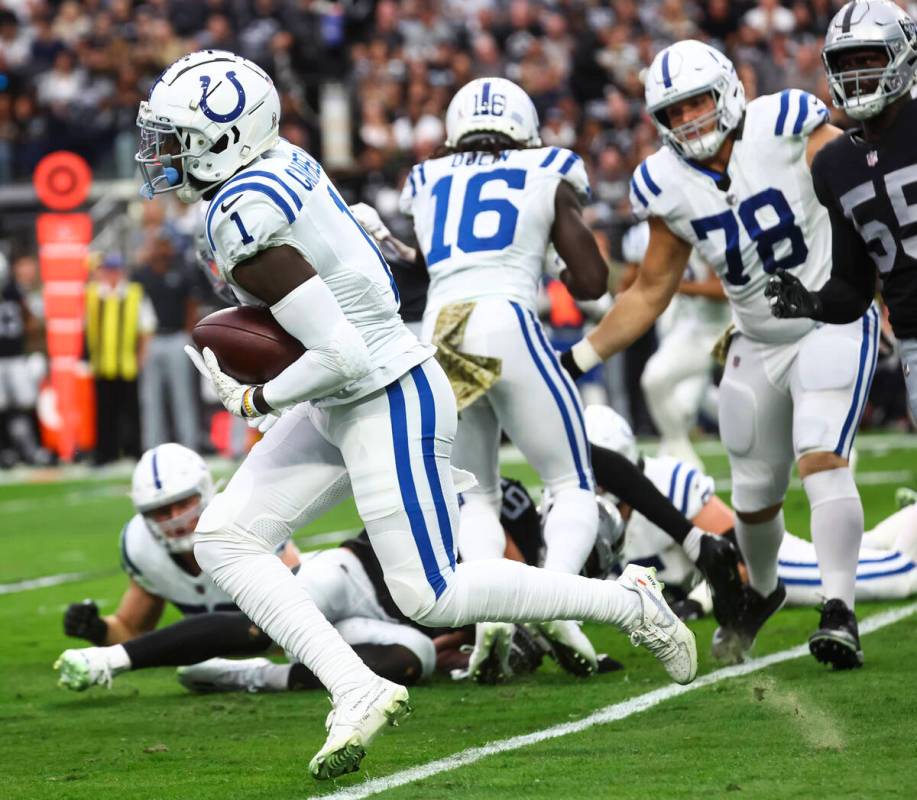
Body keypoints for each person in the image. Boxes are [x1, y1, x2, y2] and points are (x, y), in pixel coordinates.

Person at [135, 50, 696, 781]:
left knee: (431, 595)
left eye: (177, 137)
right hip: (351, 386)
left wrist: (255, 398)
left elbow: (337, 353)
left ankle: (626, 600)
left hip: (385, 391)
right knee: (226, 538)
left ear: (225, 138)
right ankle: (355, 685)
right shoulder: (268, 168)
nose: (164, 154)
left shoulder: (244, 212)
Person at [559, 40, 877, 670]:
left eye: (698, 102)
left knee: (821, 455)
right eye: (674, 113)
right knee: (755, 498)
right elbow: (651, 288)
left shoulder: (785, 122)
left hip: (828, 320)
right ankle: (762, 591)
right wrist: (574, 361)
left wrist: (868, 279)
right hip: (756, 339)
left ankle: (839, 610)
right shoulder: (664, 182)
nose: (689, 121)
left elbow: (849, 189)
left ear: (728, 90)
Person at [54, 444, 437, 693]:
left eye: (182, 504)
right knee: (269, 624)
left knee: (414, 659)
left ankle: (243, 675)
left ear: (204, 492)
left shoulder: (239, 520)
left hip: (340, 611)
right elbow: (133, 628)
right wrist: (99, 632)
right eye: (160, 511)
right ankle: (109, 662)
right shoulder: (143, 548)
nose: (174, 519)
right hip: (339, 583)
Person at [586, 405, 917, 614]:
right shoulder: (570, 509)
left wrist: (698, 603)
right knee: (863, 546)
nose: (595, 486)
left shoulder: (665, 480)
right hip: (710, 582)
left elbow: (739, 556)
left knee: (900, 575)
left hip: (767, 565)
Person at [765, 1, 917, 422]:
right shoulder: (834, 164)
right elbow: (853, 286)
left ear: (906, 56)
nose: (855, 73)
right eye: (844, 62)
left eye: (868, 59)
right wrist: (811, 302)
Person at [621, 222, 729, 469]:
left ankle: (679, 459)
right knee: (673, 402)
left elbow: (722, 289)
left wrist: (675, 286)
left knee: (676, 400)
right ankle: (681, 463)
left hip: (720, 332)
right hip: (687, 330)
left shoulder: (705, 230)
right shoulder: (652, 235)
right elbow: (631, 278)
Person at [84, 254, 156, 465]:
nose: (112, 274)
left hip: (127, 362)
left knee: (131, 410)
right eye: (109, 270)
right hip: (102, 362)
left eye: (115, 270)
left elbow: (146, 327)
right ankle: (105, 453)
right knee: (104, 411)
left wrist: (142, 356)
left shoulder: (134, 293)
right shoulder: (94, 293)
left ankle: (134, 450)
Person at [135, 229, 201, 451]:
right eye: (158, 245)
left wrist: (188, 334)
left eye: (165, 245)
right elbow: (136, 310)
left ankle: (190, 446)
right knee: (150, 399)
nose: (162, 250)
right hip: (151, 339)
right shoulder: (141, 275)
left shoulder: (181, 272)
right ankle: (152, 449)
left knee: (182, 396)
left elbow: (191, 304)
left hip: (176, 337)